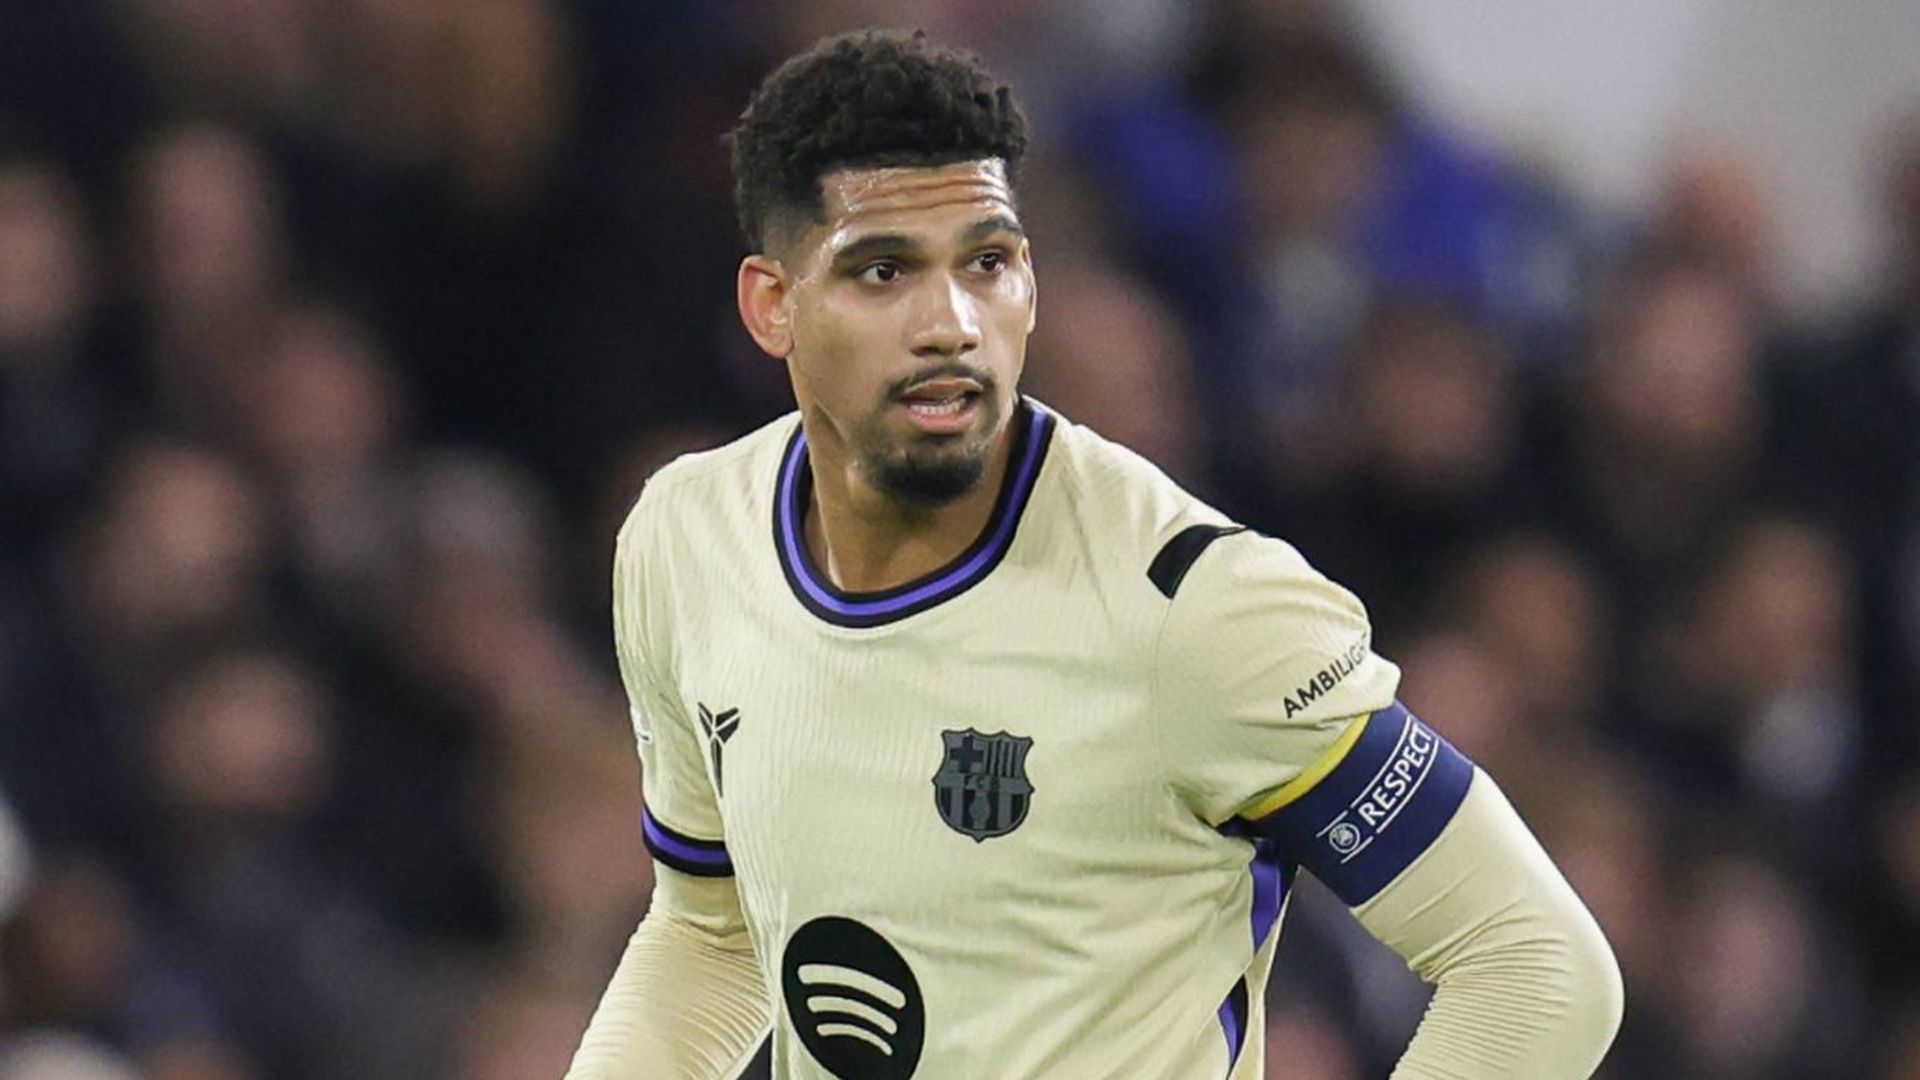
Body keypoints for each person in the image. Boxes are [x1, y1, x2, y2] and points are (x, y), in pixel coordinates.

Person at [567, 29, 1621, 1079]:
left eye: (986, 263)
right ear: (772, 306)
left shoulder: (1192, 605)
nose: (951, 323)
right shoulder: (686, 539)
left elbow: (1537, 963)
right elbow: (713, 934)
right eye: (883, 271)